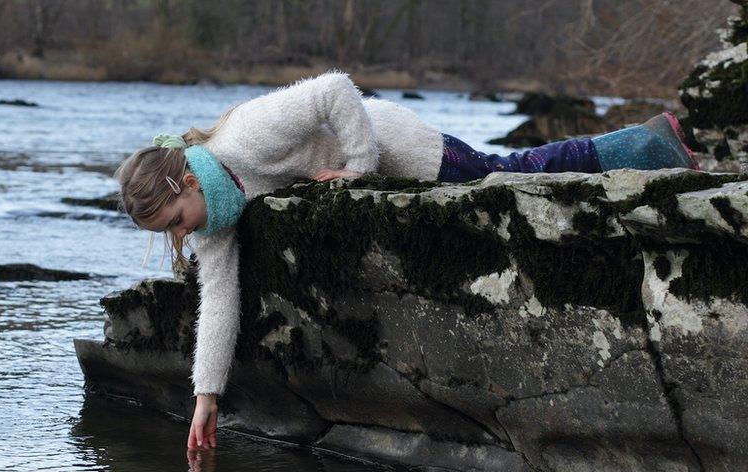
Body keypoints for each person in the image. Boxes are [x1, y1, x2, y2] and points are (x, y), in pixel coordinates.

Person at [111, 70, 699, 451]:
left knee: (512, 174)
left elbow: (335, 90)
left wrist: (358, 168)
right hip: (379, 163)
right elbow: (218, 302)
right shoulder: (218, 213)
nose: (182, 238)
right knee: (512, 170)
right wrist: (206, 396)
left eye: (175, 223)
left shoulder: (245, 137)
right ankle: (646, 144)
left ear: (185, 181)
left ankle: (648, 144)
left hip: (397, 144)